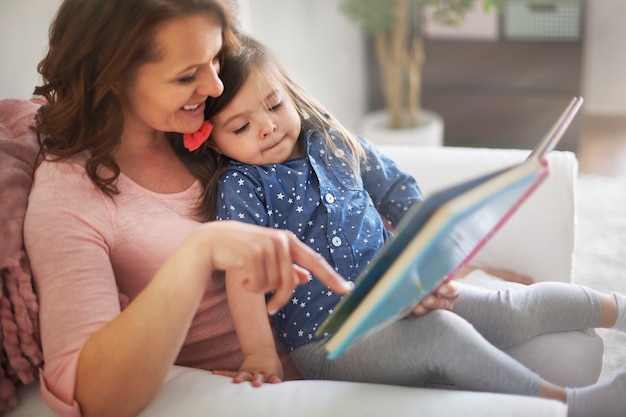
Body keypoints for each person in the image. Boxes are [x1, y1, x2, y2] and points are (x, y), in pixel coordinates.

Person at [197, 33, 626, 417]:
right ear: (214, 139)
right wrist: (259, 353)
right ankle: (573, 406)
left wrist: (431, 259)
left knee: (510, 307)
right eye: (242, 126)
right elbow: (244, 277)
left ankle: (617, 307)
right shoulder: (242, 187)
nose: (268, 127)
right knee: (441, 334)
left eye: (274, 105)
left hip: (400, 293)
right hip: (327, 340)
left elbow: (399, 192)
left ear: (290, 95)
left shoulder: (329, 140)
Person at [22, 2, 356, 417]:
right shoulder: (71, 196)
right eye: (186, 76)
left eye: (215, 58)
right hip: (286, 393)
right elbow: (90, 396)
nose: (216, 86)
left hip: (356, 331)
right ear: (112, 78)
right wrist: (199, 252)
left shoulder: (210, 127)